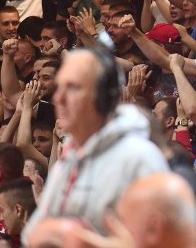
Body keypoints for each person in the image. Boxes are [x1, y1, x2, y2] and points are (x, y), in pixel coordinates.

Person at [25, 48, 168, 235]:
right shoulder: (71, 153)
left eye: (72, 88)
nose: (59, 98)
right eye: (59, 88)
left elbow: (151, 234)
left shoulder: (138, 155)